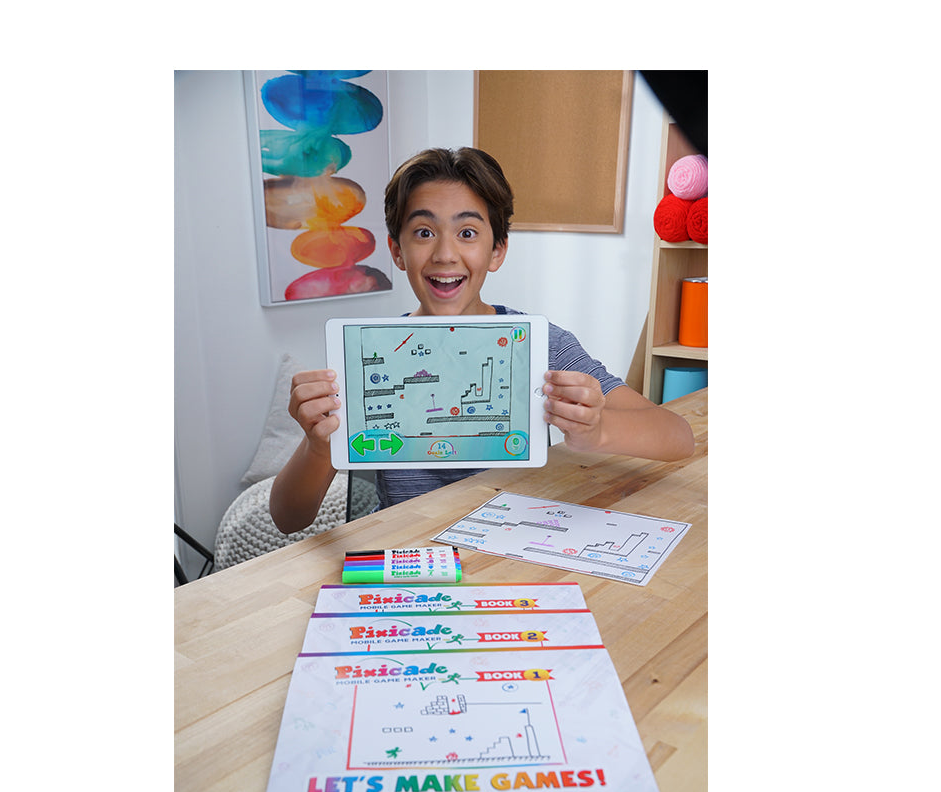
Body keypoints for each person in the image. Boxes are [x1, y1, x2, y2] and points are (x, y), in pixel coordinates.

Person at [270, 147, 694, 534]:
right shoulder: (371, 357)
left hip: (515, 547)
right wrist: (318, 445)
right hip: (410, 557)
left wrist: (598, 429)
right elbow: (288, 518)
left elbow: (677, 437)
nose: (445, 254)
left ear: (497, 251)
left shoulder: (541, 345)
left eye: (468, 233)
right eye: (423, 232)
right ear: (397, 251)